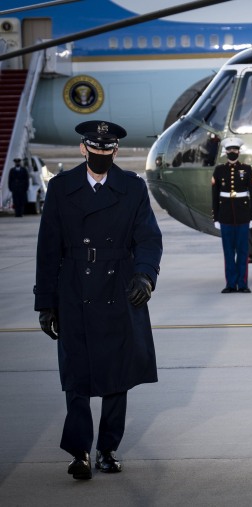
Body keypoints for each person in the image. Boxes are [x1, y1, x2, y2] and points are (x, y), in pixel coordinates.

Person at [34, 120, 162, 480]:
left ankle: (107, 448)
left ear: (115, 151)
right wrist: (46, 302)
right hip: (74, 289)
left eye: (108, 150)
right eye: (95, 149)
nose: (101, 154)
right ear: (83, 149)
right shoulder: (61, 188)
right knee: (76, 376)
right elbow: (48, 249)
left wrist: (145, 276)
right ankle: (78, 452)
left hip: (119, 288)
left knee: (116, 375)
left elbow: (149, 239)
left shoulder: (133, 188)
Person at [211, 137, 252, 293]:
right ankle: (231, 284)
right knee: (229, 252)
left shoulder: (247, 169)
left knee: (243, 252)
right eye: (230, 150)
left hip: (243, 217)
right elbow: (214, 195)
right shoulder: (219, 170)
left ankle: (242, 284)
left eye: (235, 150)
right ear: (226, 152)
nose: (232, 152)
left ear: (239, 151)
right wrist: (216, 218)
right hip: (225, 217)